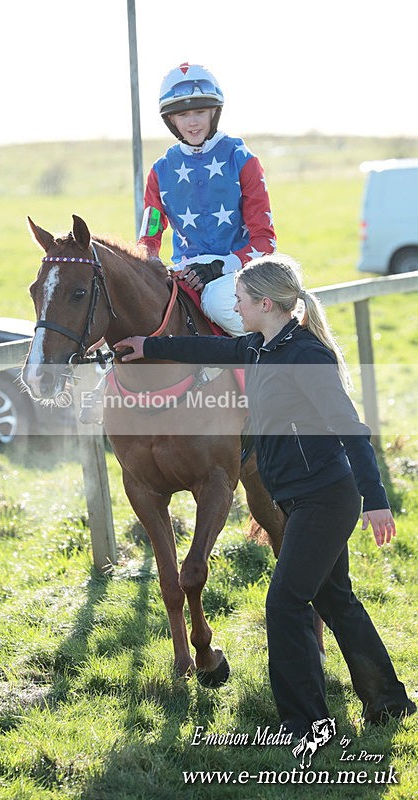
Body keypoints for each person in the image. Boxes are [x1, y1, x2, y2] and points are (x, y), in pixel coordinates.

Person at [114, 253, 416, 737]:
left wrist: (375, 498)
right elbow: (204, 350)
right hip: (299, 498)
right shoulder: (257, 347)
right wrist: (146, 344)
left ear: (267, 303)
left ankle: (304, 724)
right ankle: (388, 701)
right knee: (338, 601)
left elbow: (351, 429)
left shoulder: (306, 355)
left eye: (240, 300)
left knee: (285, 603)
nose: (233, 306)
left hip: (325, 497)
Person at [138, 62, 276, 337]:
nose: (193, 121)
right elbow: (149, 236)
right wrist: (145, 266)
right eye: (183, 114)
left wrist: (218, 266)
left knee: (216, 301)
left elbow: (265, 242)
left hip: (242, 271)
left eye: (200, 111)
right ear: (171, 121)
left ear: (214, 111)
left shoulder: (242, 159)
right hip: (186, 273)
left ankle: (273, 363)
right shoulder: (160, 171)